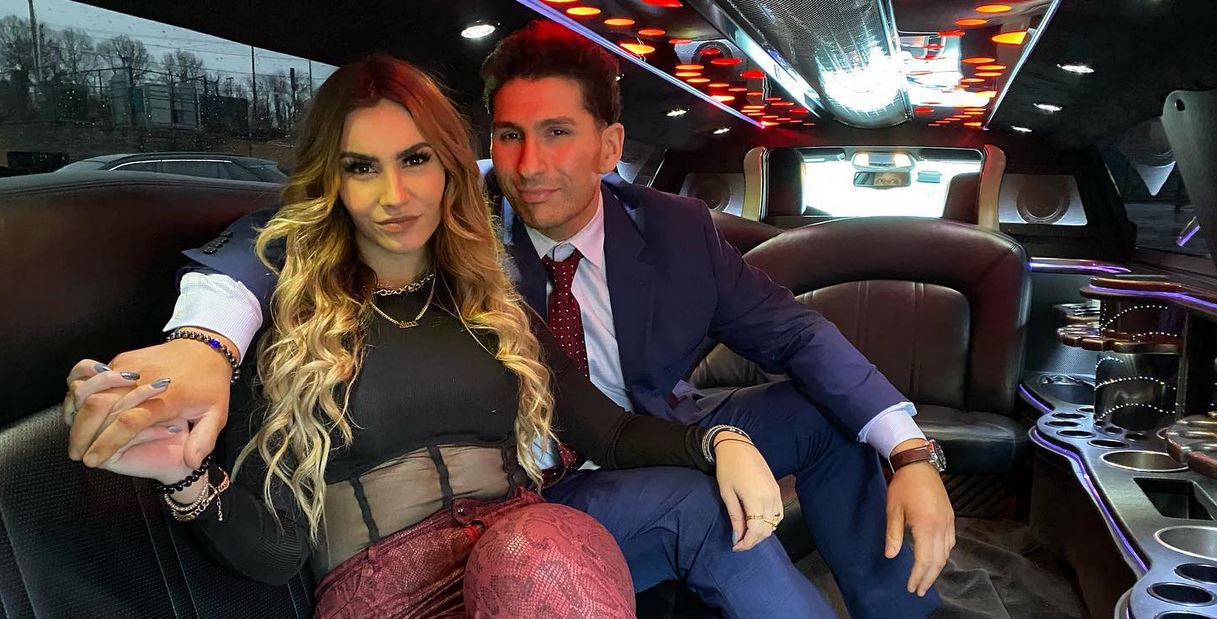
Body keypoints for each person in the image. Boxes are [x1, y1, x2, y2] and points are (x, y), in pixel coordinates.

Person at [68, 19, 955, 618]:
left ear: (611, 147)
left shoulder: (622, 250)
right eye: (508, 136)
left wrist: (906, 451)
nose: (529, 166)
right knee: (552, 541)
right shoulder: (407, 262)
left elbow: (785, 340)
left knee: (816, 423)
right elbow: (259, 243)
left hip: (595, 480)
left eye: (558, 133)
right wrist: (204, 345)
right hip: (516, 512)